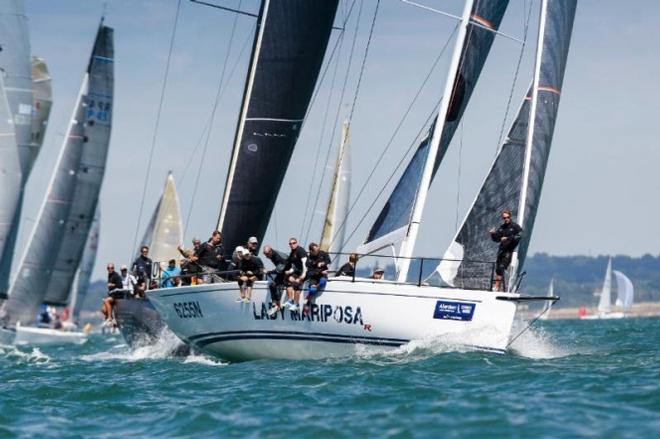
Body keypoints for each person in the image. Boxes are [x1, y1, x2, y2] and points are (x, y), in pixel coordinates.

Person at [489, 208, 523, 292]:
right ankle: (499, 288)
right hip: (501, 251)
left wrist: (508, 238)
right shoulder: (502, 228)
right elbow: (497, 239)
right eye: (504, 218)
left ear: (510, 217)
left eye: (507, 217)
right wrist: (493, 234)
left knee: (501, 268)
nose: (506, 219)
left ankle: (496, 287)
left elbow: (520, 235)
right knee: (497, 270)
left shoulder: (515, 226)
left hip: (509, 252)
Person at [304, 242, 331, 312]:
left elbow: (328, 260)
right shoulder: (309, 260)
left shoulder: (322, 253)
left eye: (318, 250)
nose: (318, 251)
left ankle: (315, 288)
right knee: (312, 290)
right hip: (314, 277)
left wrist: (323, 263)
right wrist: (319, 271)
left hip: (323, 275)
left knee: (323, 282)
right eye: (316, 251)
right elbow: (310, 272)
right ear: (311, 251)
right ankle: (307, 304)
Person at [263, 245, 288, 316]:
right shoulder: (272, 255)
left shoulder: (277, 257)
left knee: (277, 285)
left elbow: (279, 270)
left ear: (270, 251)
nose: (266, 256)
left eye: (267, 254)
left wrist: (269, 272)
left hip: (289, 271)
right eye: (265, 254)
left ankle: (278, 306)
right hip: (283, 270)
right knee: (272, 285)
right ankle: (275, 306)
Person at [283, 237, 307, 312]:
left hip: (305, 271)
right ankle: (290, 300)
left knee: (297, 285)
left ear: (297, 243)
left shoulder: (300, 251)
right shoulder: (292, 252)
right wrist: (289, 271)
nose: (292, 245)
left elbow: (305, 264)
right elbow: (294, 266)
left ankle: (296, 305)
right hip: (297, 271)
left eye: (294, 243)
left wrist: (303, 275)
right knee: (287, 280)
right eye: (290, 244)